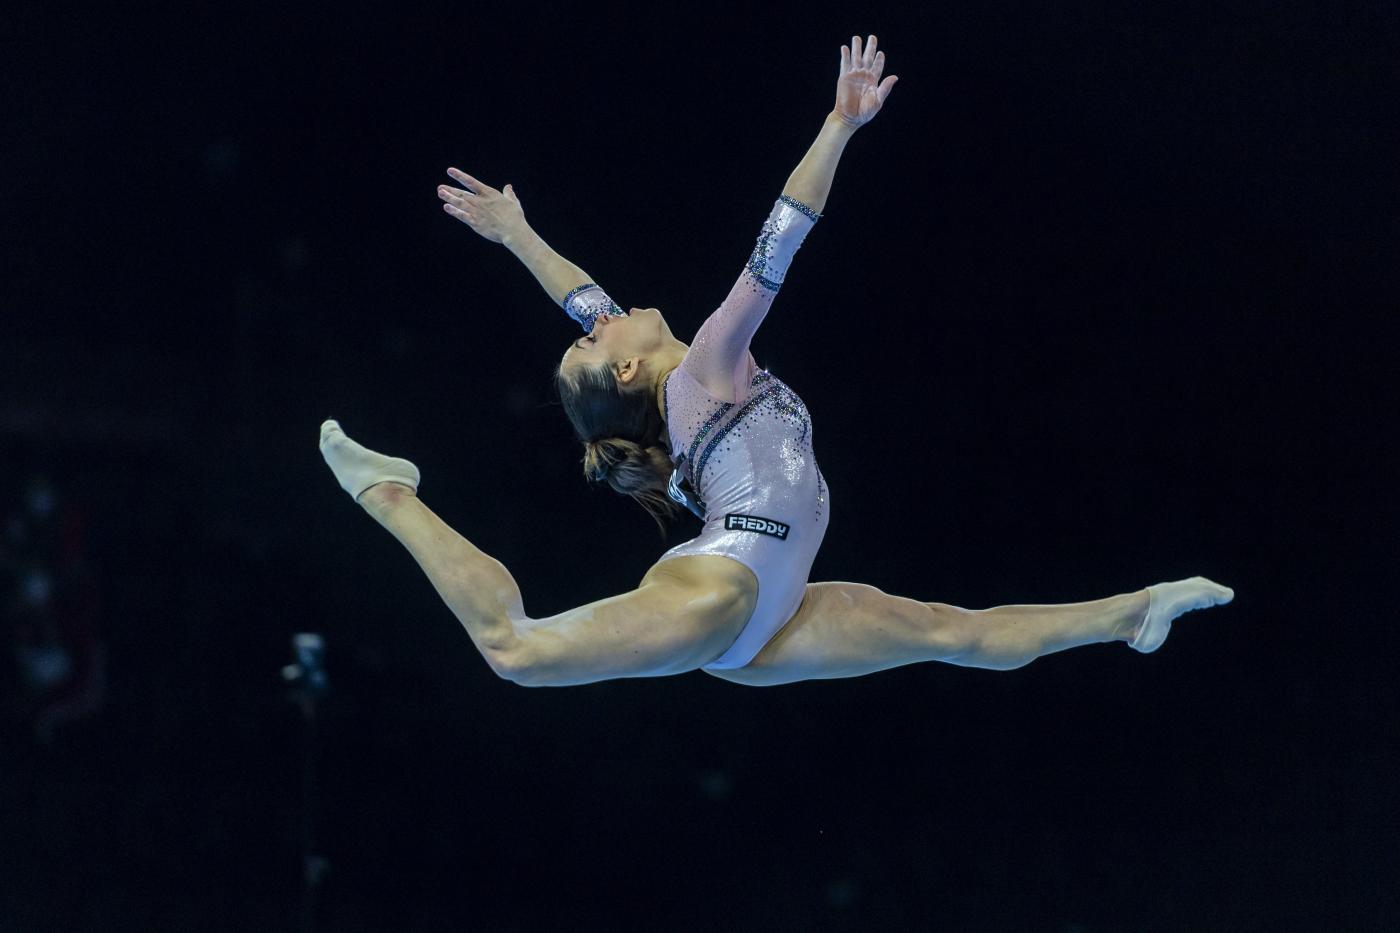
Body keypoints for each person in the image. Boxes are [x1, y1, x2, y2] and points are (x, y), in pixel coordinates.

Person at [319, 35, 1233, 687]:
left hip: (773, 616)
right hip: (724, 590)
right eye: (593, 336)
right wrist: (840, 128)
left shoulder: (671, 388)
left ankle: (1136, 609)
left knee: (959, 632)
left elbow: (578, 292)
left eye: (589, 324)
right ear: (627, 373)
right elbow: (779, 240)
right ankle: (391, 491)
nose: (601, 312)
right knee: (516, 650)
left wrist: (518, 233)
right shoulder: (709, 363)